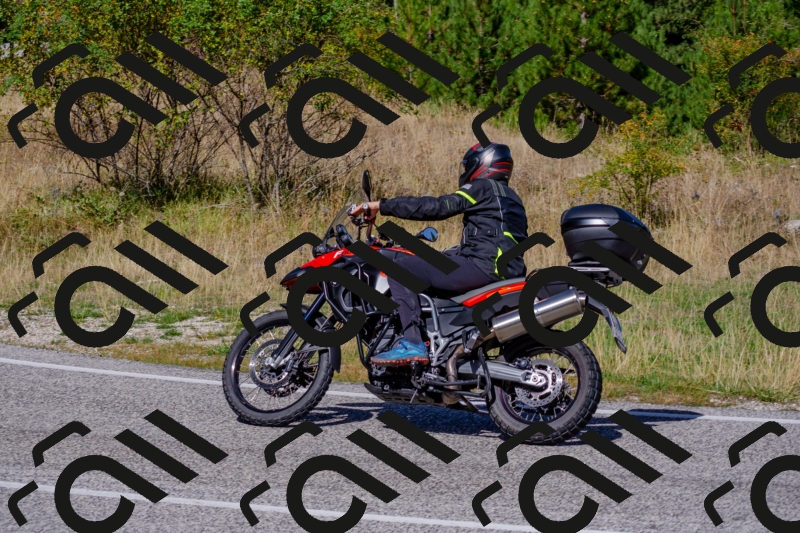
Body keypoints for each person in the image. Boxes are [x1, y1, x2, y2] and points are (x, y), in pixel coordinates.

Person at [348, 142, 528, 366]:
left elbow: (436, 207)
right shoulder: (512, 199)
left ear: (482, 165)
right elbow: (494, 241)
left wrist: (381, 206)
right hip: (507, 272)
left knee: (400, 268)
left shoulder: (482, 187)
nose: (465, 172)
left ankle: (412, 343)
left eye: (468, 167)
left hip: (483, 268)